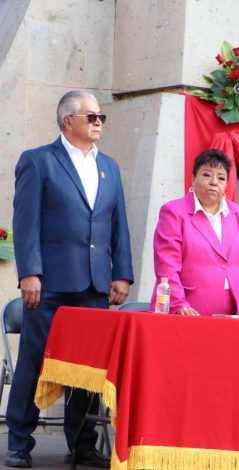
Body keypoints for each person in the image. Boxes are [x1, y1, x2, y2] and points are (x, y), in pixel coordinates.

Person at [8, 90, 133, 468]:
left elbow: (117, 226)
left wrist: (122, 274)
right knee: (35, 361)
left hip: (94, 284)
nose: (99, 123)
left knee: (87, 369)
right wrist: (29, 272)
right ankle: (18, 442)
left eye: (101, 118)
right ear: (68, 121)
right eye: (92, 116)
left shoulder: (108, 166)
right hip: (49, 284)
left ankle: (81, 444)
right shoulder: (39, 161)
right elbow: (25, 222)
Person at [151, 149, 239, 316]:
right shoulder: (174, 212)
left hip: (235, 315)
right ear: (192, 178)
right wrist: (179, 305)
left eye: (221, 178)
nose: (214, 182)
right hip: (187, 312)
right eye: (207, 175)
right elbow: (167, 267)